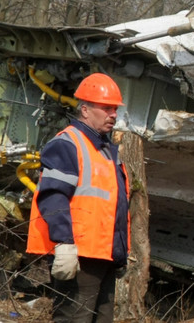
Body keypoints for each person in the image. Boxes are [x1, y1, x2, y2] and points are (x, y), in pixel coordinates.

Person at [27, 73, 130, 323]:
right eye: (106, 108)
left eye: (114, 109)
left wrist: (120, 251)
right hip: (79, 255)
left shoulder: (104, 149)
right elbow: (53, 197)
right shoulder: (68, 144)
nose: (113, 114)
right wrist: (64, 244)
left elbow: (111, 206)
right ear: (85, 110)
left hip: (103, 255)